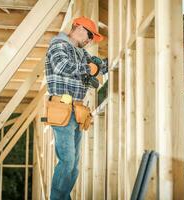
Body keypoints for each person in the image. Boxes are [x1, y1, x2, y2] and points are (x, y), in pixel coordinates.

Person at [45, 16, 107, 200]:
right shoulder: (59, 44)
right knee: (67, 160)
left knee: (74, 164)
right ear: (78, 28)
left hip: (77, 112)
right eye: (89, 35)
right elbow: (61, 65)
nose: (89, 41)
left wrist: (103, 64)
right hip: (62, 108)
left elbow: (98, 66)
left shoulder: (81, 53)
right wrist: (89, 69)